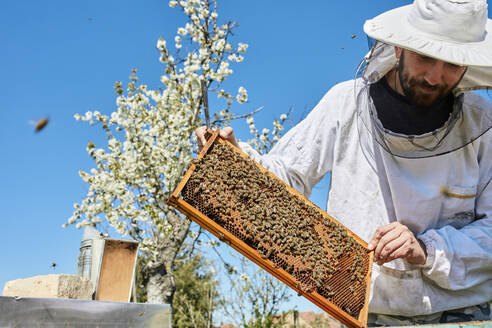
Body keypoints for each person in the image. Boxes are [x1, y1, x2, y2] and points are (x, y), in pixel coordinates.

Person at [196, 0, 492, 325]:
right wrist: (239, 165)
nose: (436, 77)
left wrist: (426, 248)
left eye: (453, 64)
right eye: (425, 57)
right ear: (398, 48)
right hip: (362, 312)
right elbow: (285, 179)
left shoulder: (481, 124)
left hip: (466, 316)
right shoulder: (344, 105)